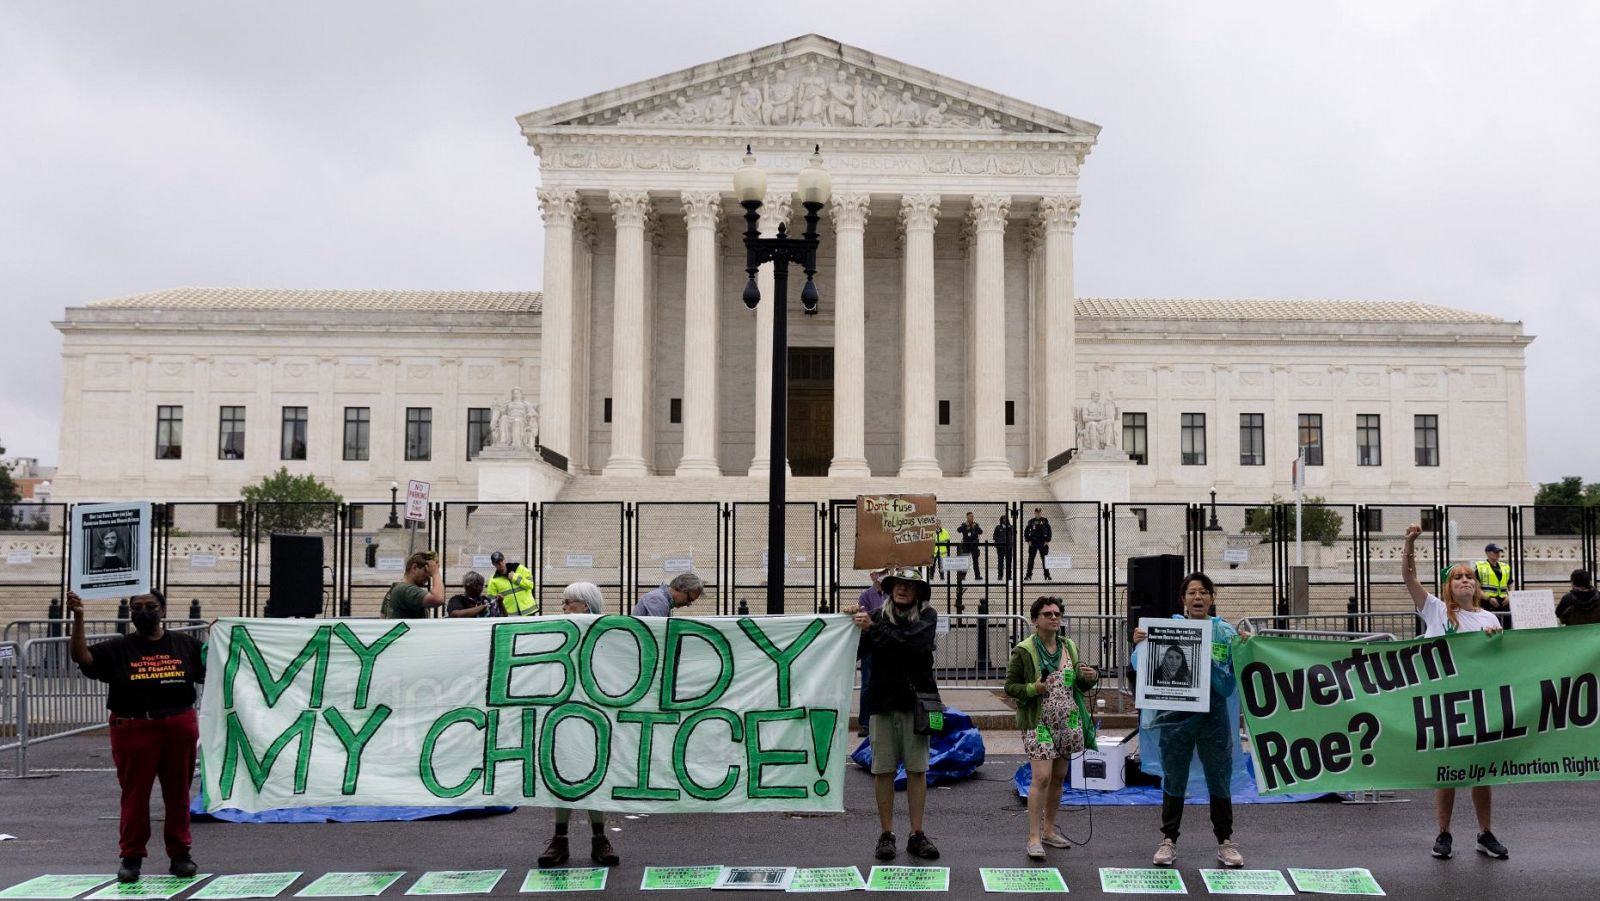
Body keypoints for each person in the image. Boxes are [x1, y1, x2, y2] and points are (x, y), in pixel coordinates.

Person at [67, 589, 205, 884]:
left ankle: (180, 855)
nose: (144, 612)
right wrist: (79, 618)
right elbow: (83, 657)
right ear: (130, 614)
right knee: (135, 796)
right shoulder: (118, 648)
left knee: (178, 794)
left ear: (164, 611)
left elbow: (218, 665)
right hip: (133, 727)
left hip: (178, 723)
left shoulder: (186, 645)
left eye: (151, 606)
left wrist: (223, 635)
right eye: (137, 607)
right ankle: (131, 858)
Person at [1403, 524, 1509, 860]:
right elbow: (1408, 579)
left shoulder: (1490, 618)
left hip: (1479, 704)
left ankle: (1485, 832)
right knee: (1447, 770)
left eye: (1469, 576)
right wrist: (1409, 542)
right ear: (1448, 586)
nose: (1464, 580)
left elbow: (1501, 664)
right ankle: (1444, 833)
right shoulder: (1436, 610)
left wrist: (1496, 642)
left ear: (1476, 585)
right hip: (1444, 703)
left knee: (1481, 771)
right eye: (1457, 577)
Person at [1131, 572, 1247, 869]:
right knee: (1175, 775)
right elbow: (1141, 666)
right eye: (1192, 592)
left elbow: (1235, 673)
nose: (1198, 597)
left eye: (1204, 592)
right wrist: (1140, 644)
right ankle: (1168, 839)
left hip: (1214, 715)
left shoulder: (1224, 633)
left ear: (1212, 598)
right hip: (1176, 716)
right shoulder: (1168, 629)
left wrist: (1245, 646)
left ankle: (1225, 841)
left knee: (1218, 775)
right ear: (1183, 599)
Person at [845, 567, 940, 862]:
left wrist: (873, 627)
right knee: (883, 770)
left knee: (917, 770)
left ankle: (916, 833)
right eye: (898, 584)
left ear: (918, 593)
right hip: (882, 703)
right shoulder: (875, 617)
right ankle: (886, 834)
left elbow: (912, 643)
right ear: (890, 588)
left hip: (915, 703)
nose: (902, 589)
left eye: (909, 586)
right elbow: (859, 650)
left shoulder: (928, 616)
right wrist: (849, 622)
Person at [1004, 596, 1098, 860]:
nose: (1054, 617)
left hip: (1067, 720)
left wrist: (1090, 678)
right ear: (1035, 620)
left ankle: (1048, 830)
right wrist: (1034, 688)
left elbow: (1078, 682)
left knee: (1058, 777)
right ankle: (1033, 837)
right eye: (1047, 614)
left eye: (1057, 613)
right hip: (1039, 721)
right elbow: (1010, 686)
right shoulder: (1024, 650)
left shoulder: (1069, 646)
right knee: (1042, 777)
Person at [538, 582, 621, 868]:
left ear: (585, 605)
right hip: (563, 716)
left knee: (594, 778)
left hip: (596, 717)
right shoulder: (561, 630)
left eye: (568, 602)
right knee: (561, 777)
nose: (563, 607)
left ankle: (600, 839)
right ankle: (559, 839)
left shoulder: (607, 633)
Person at [855, 567, 890, 737]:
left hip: (886, 642)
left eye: (885, 572)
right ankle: (865, 723)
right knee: (868, 683)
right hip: (871, 644)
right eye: (880, 573)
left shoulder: (891, 594)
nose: (882, 576)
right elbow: (865, 617)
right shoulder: (866, 595)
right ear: (872, 576)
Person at [381, 552, 445, 619]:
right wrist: (435, 573)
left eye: (430, 572)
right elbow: (438, 599)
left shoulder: (394, 588)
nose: (428, 576)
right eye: (426, 570)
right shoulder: (406, 590)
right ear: (414, 568)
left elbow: (382, 616)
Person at [487, 551, 537, 615]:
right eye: (497, 563)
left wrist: (515, 578)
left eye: (501, 561)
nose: (500, 564)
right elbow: (491, 600)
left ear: (504, 560)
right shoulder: (493, 580)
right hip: (510, 615)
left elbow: (530, 585)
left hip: (529, 611)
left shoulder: (520, 568)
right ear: (493, 564)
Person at [1474, 543, 1513, 625]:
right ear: (1487, 553)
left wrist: (1510, 596)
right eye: (1495, 552)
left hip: (1504, 603)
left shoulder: (1505, 567)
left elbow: (1510, 585)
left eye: (1499, 552)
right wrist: (1489, 599)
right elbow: (1476, 588)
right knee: (1490, 627)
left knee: (1506, 627)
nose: (1498, 554)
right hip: (1487, 603)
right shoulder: (1480, 567)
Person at [633, 572, 703, 617]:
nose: (688, 604)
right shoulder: (658, 599)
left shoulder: (663, 600)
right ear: (681, 588)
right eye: (689, 599)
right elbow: (659, 632)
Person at [1024, 508, 1053, 581]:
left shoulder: (1045, 521)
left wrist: (1047, 540)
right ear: (1034, 513)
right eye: (1036, 512)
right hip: (1033, 543)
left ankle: (1047, 575)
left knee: (1045, 560)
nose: (1038, 514)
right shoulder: (1031, 521)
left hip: (1043, 543)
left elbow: (1049, 531)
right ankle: (1028, 575)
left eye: (1039, 512)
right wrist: (1028, 540)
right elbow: (1026, 532)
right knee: (1031, 559)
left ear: (1041, 513)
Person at [956, 512, 984, 580]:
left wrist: (976, 527)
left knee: (976, 562)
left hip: (974, 546)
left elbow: (981, 532)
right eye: (970, 516)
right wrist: (965, 525)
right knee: (965, 561)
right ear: (967, 517)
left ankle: (977, 576)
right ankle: (963, 576)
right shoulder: (964, 524)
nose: (972, 517)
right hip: (966, 546)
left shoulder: (976, 524)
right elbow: (958, 530)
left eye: (972, 516)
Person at [993, 514, 1015, 582]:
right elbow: (994, 537)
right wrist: (998, 543)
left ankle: (1009, 576)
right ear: (1001, 520)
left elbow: (1013, 535)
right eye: (1003, 519)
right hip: (1000, 548)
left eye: (1006, 519)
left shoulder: (1011, 527)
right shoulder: (998, 527)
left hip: (1009, 548)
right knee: (1000, 562)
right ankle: (1000, 576)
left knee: (1009, 562)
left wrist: (1011, 543)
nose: (1005, 520)